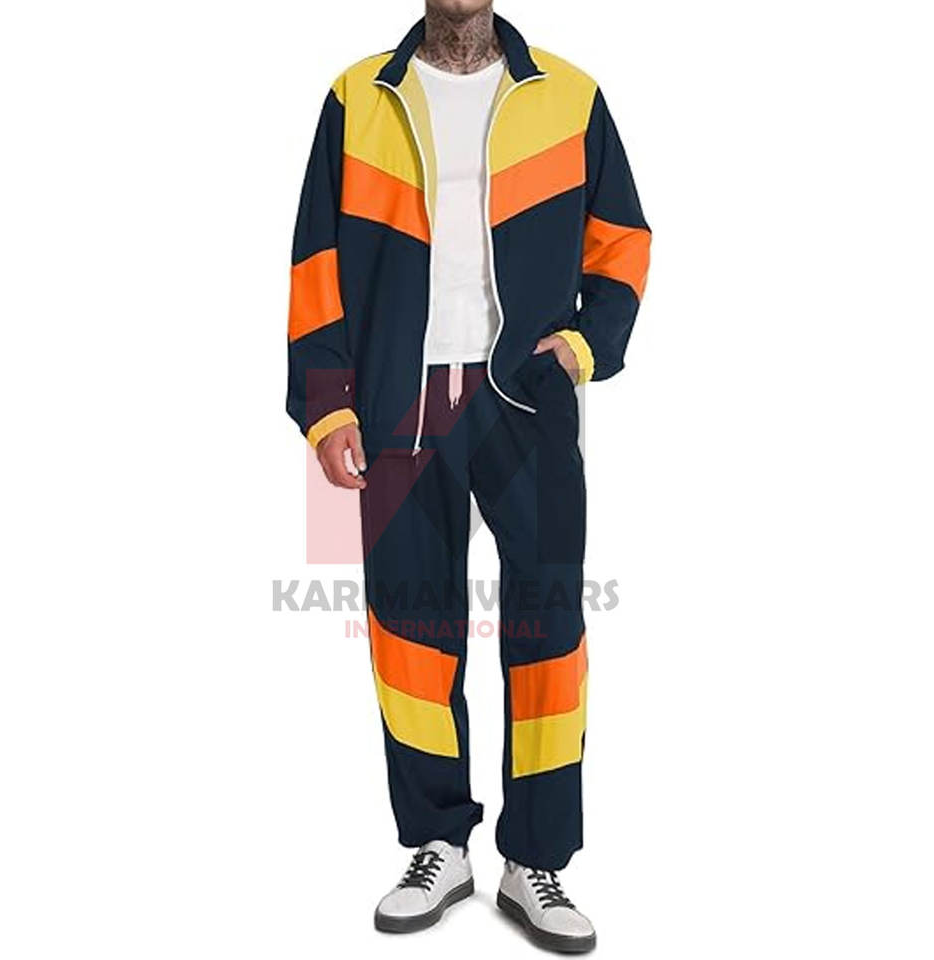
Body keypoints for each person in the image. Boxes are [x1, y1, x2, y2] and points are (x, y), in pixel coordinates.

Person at [286, 2, 649, 951]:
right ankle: (439, 845)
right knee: (410, 630)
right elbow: (314, 262)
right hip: (396, 404)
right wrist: (326, 406)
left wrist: (582, 347)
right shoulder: (358, 97)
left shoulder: (569, 96)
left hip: (524, 400)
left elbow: (622, 242)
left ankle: (536, 862)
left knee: (548, 628)